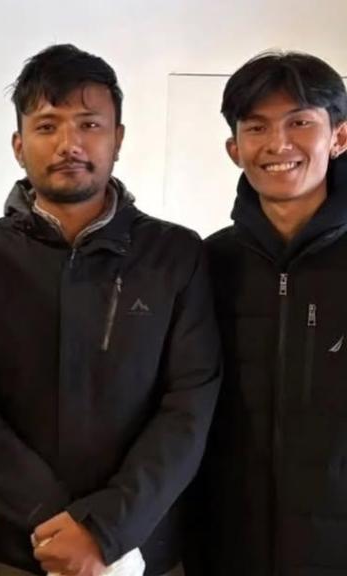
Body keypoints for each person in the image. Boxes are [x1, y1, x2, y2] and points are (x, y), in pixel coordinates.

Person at [0, 44, 221, 576]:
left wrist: (106, 528)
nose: (70, 143)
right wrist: (58, 525)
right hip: (5, 548)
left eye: (90, 124)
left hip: (139, 550)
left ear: (118, 137)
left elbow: (188, 407)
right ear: (19, 145)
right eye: (47, 126)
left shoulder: (175, 255)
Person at [196, 50, 347, 575]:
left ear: (339, 137)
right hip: (222, 549)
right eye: (257, 127)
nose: (278, 144)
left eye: (300, 122)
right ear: (234, 148)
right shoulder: (204, 264)